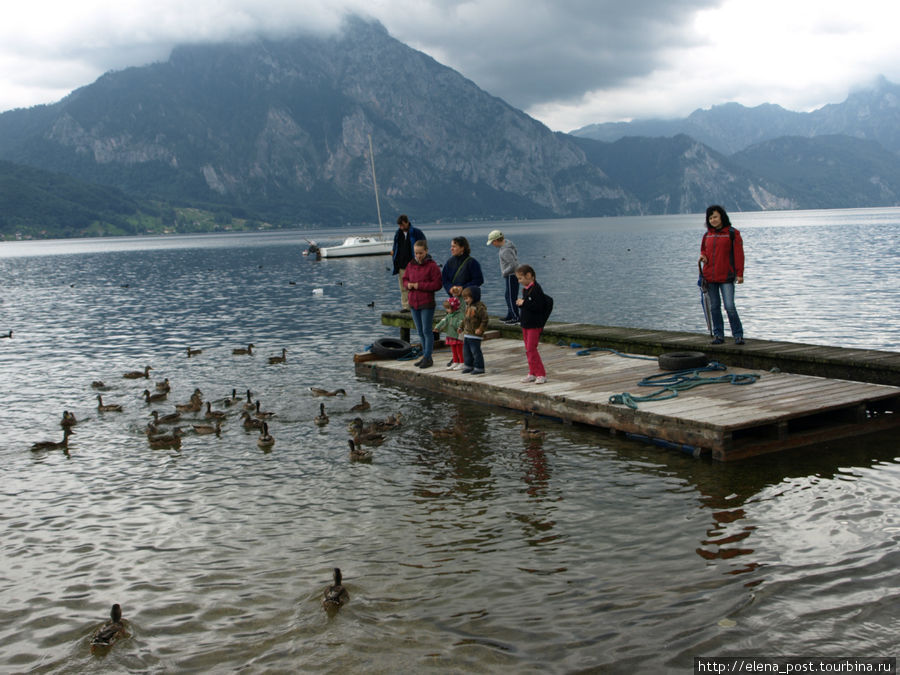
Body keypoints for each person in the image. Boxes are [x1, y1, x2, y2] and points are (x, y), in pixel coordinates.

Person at [699, 205, 745, 345]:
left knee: (729, 306)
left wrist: (740, 274)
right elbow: (703, 251)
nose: (713, 220)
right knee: (714, 307)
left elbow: (739, 255)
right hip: (710, 277)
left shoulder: (732, 233)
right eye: (710, 218)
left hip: (726, 277)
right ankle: (719, 335)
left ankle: (738, 335)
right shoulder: (707, 235)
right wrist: (703, 256)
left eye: (715, 217)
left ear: (722, 217)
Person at [403, 239, 443, 368]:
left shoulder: (432, 266)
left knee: (427, 331)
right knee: (420, 331)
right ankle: (425, 356)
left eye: (420, 253)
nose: (418, 256)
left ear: (426, 251)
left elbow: (437, 284)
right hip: (413, 303)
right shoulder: (410, 264)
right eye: (416, 253)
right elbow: (405, 279)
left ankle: (427, 357)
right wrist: (408, 285)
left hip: (427, 303)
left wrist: (419, 285)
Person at [515, 264, 552, 384]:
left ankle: (541, 374)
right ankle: (532, 372)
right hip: (526, 323)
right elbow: (528, 305)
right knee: (528, 349)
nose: (519, 281)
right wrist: (522, 303)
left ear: (529, 276)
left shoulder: (536, 289)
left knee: (532, 348)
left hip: (534, 325)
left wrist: (523, 303)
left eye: (520, 278)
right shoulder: (526, 289)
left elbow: (538, 307)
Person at [392, 214, 425, 312]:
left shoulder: (416, 232)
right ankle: (406, 306)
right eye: (399, 226)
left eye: (402, 225)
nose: (401, 227)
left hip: (414, 264)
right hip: (401, 264)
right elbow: (395, 247)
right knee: (403, 287)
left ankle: (417, 305)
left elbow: (423, 245)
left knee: (415, 286)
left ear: (407, 222)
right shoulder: (398, 234)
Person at [487, 230, 520, 324]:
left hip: (511, 275)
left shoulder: (505, 250)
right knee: (508, 295)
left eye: (493, 242)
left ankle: (516, 317)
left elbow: (513, 264)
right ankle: (510, 314)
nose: (493, 244)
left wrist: (504, 272)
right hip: (513, 274)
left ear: (497, 240)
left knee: (510, 296)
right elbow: (515, 255)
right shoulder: (508, 244)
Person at [459, 286, 489, 375]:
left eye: (467, 298)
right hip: (467, 333)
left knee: (475, 351)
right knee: (466, 351)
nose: (465, 300)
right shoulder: (468, 306)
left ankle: (479, 367)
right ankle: (468, 366)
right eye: (464, 298)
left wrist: (481, 329)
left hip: (475, 334)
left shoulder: (480, 307)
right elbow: (465, 319)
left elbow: (485, 320)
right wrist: (461, 327)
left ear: (474, 296)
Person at [434, 296, 465, 369]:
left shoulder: (460, 315)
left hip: (457, 336)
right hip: (450, 335)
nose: (447, 310)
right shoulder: (448, 315)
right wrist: (437, 327)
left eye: (448, 308)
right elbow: (443, 321)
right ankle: (455, 362)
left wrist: (459, 327)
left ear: (454, 308)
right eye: (446, 308)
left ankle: (462, 362)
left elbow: (461, 323)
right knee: (453, 350)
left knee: (459, 350)